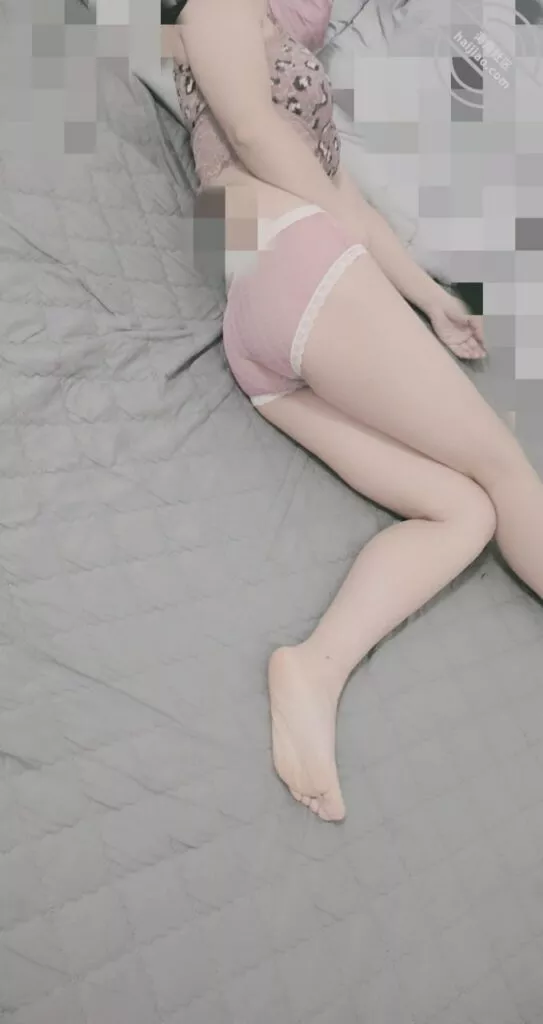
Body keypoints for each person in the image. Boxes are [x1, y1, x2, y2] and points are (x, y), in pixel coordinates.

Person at [165, 0, 543, 823]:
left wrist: (429, 299)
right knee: (504, 465)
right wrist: (337, 234)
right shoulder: (217, 8)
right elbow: (252, 134)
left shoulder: (294, 48)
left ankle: (313, 668)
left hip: (271, 336)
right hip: (290, 255)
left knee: (465, 510)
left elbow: (354, 205)